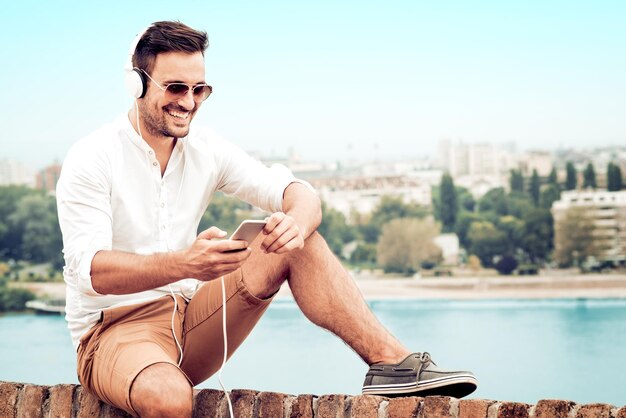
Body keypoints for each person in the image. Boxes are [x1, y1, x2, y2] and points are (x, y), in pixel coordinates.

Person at [56, 20, 477, 418]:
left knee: (299, 238)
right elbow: (92, 271)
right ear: (137, 83)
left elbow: (298, 193)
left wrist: (296, 220)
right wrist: (187, 263)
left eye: (200, 89)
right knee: (168, 397)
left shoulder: (205, 148)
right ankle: (161, 375)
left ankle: (392, 366)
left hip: (191, 318)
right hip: (115, 331)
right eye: (176, 87)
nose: (188, 102)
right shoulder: (93, 157)